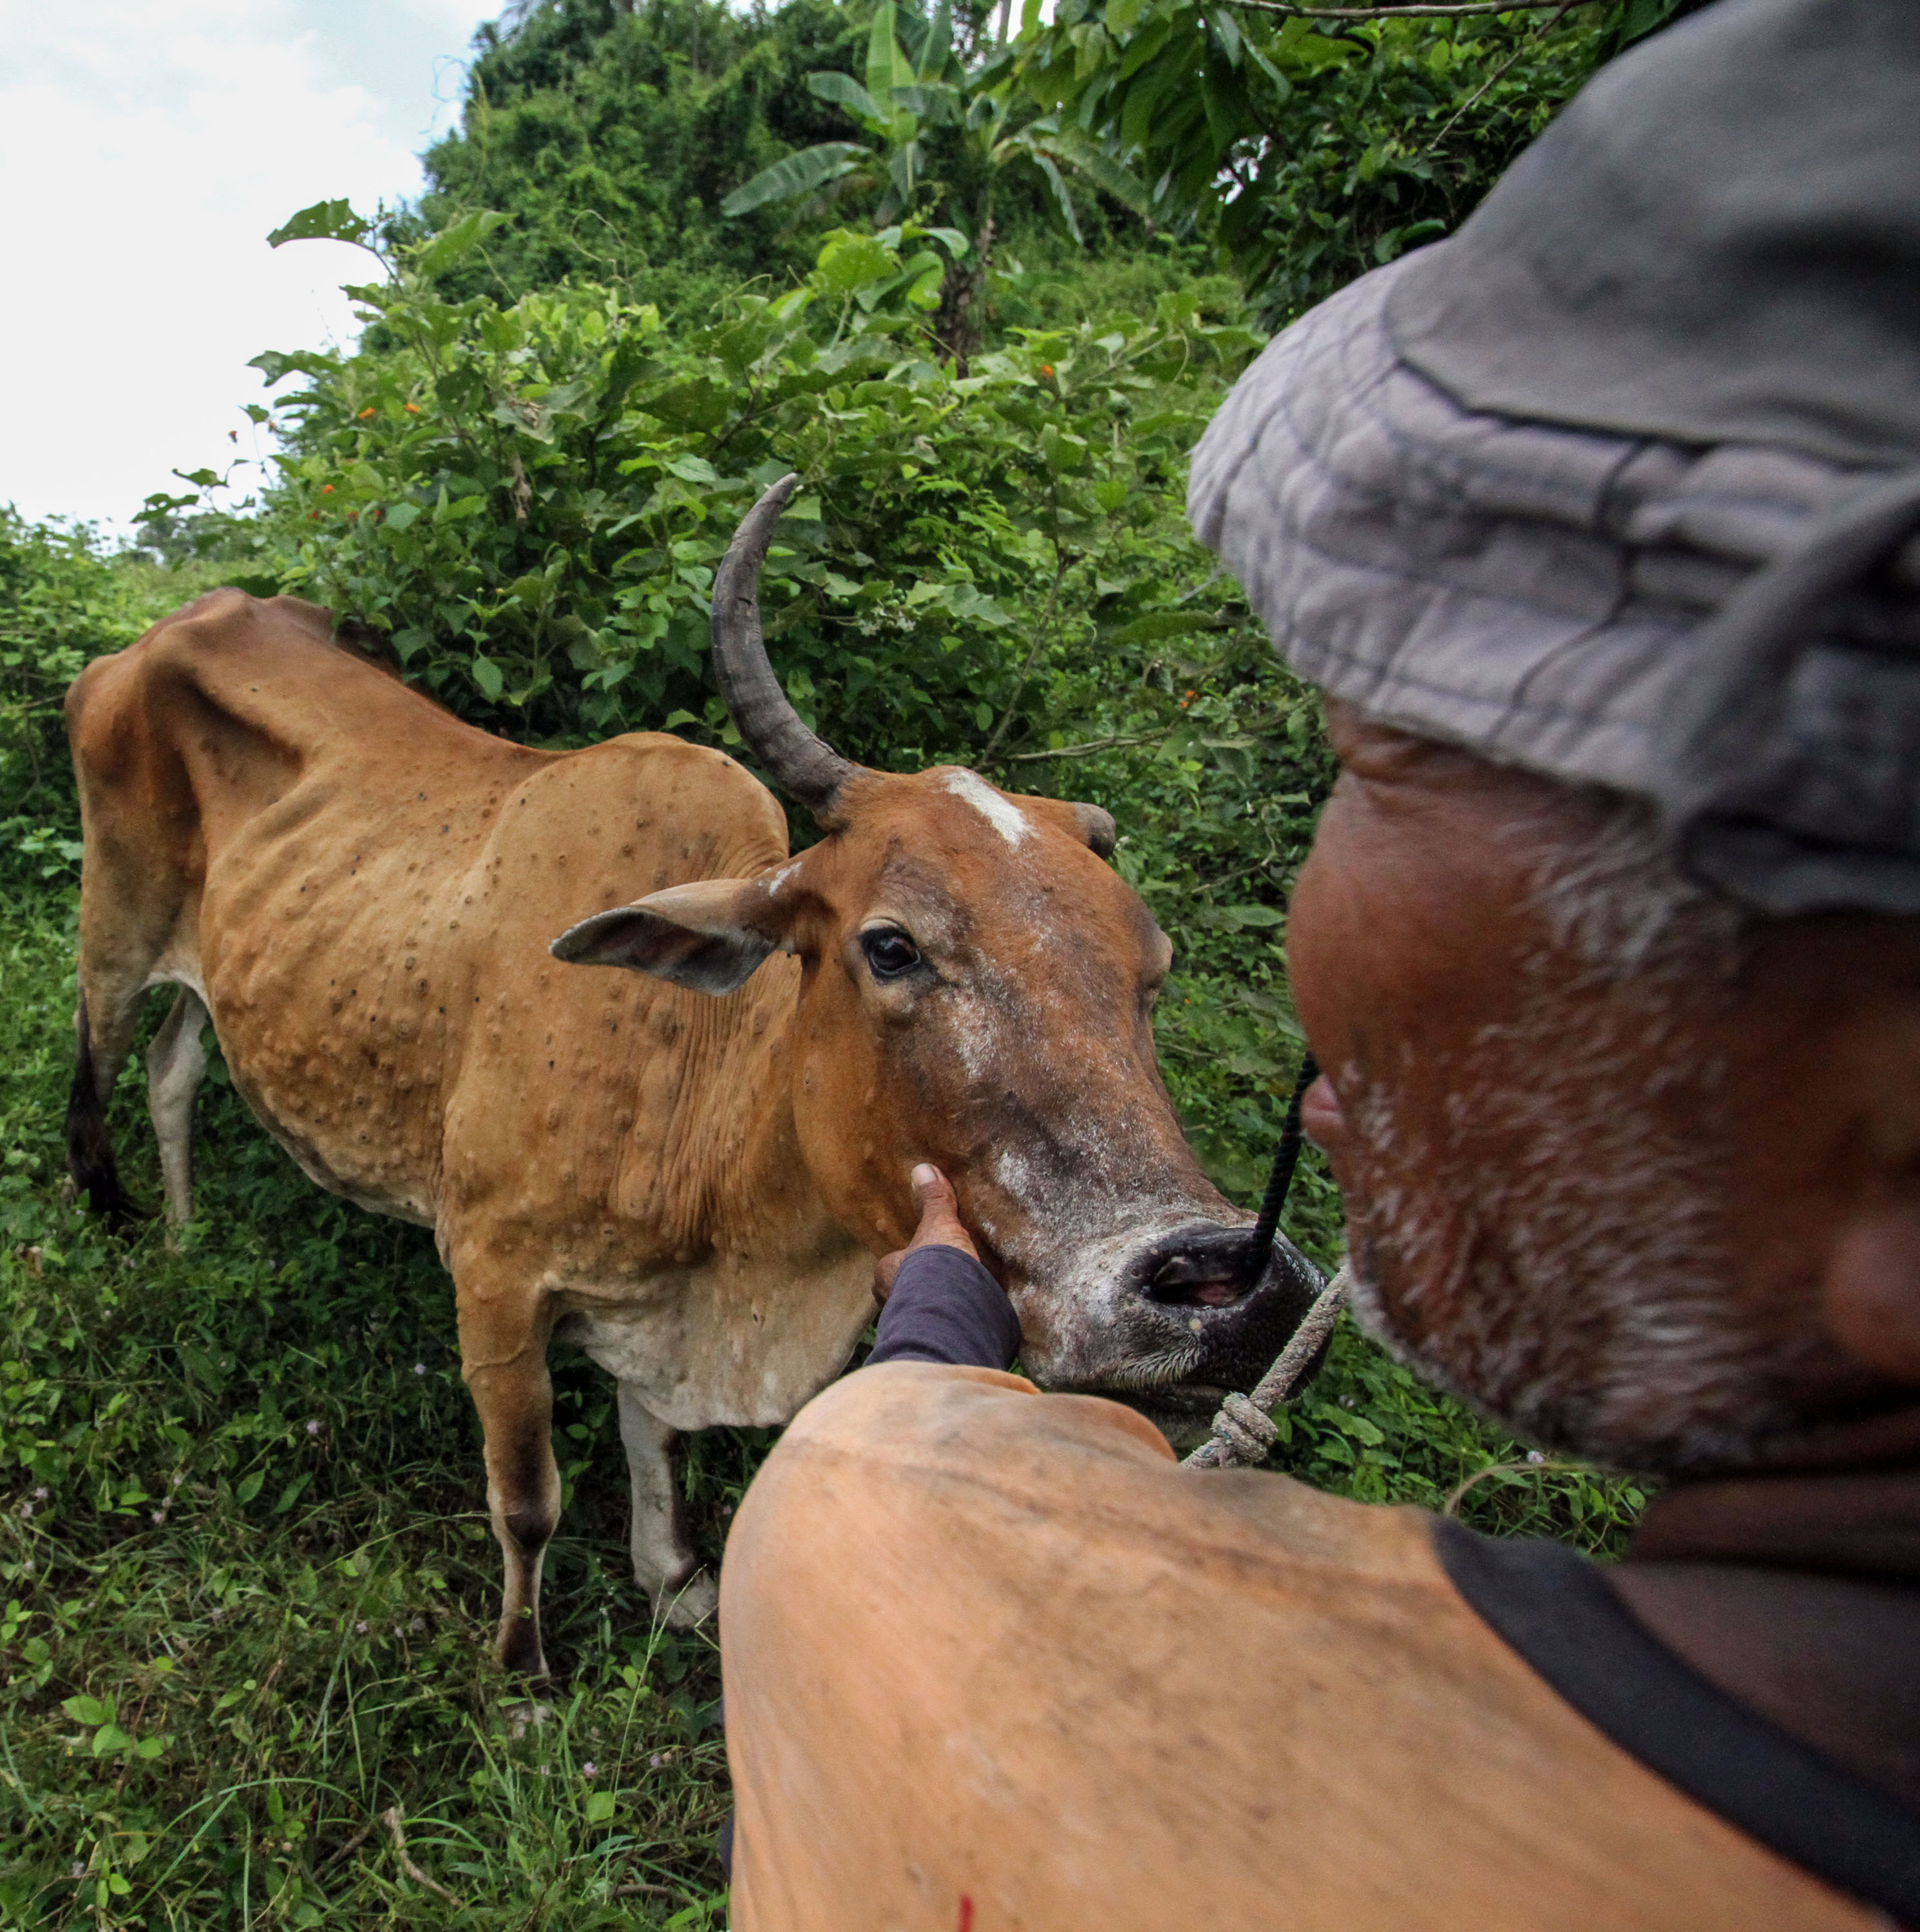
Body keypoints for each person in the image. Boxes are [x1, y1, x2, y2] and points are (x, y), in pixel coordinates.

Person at [716, 1, 1919, 1925]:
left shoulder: (888, 1555)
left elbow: (877, 1483)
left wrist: (936, 1333)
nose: (1306, 920)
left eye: (1383, 764)